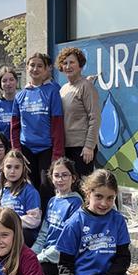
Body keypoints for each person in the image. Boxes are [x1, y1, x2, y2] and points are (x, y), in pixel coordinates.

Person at [11, 53, 64, 211]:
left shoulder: (53, 91)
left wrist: (57, 155)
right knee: (28, 186)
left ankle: (45, 224)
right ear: (27, 68)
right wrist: (16, 151)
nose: (35, 69)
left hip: (46, 149)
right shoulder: (20, 95)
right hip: (26, 149)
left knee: (45, 187)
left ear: (47, 69)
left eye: (39, 66)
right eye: (32, 65)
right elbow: (14, 127)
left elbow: (57, 125)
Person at [32, 157, 82, 275]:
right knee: (26, 267)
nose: (60, 179)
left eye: (65, 175)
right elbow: (43, 234)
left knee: (31, 274)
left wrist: (38, 258)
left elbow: (67, 243)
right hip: (47, 253)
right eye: (57, 175)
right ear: (51, 178)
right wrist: (31, 254)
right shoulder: (52, 201)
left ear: (73, 178)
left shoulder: (76, 203)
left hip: (61, 258)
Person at [58, 47, 101, 182]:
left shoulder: (86, 86)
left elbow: (94, 117)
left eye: (72, 62)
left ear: (80, 65)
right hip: (66, 147)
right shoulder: (63, 89)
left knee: (83, 187)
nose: (68, 66)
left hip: (82, 149)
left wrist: (89, 146)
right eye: (65, 63)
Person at [0, 150, 42, 247]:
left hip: (24, 236)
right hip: (6, 233)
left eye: (17, 167)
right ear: (3, 169)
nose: (12, 171)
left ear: (23, 169)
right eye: (9, 167)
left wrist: (11, 222)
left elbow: (35, 220)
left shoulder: (30, 191)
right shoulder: (3, 191)